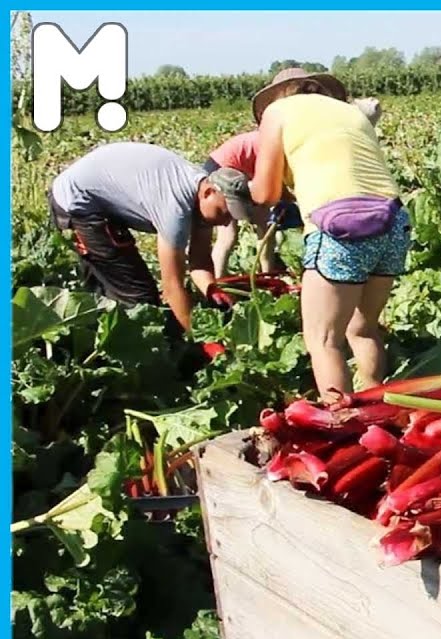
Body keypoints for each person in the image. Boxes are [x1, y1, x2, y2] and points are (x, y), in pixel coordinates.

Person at [248, 68, 409, 403]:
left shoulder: (277, 113)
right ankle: (378, 405)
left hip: (341, 228)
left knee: (323, 339)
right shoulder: (348, 112)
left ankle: (343, 423)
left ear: (280, 94)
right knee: (362, 328)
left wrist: (246, 188)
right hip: (392, 221)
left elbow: (265, 194)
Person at [48, 141, 254, 335]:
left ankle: (94, 336)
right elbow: (172, 286)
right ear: (208, 192)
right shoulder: (176, 208)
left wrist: (211, 289)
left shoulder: (203, 196)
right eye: (224, 212)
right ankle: (136, 356)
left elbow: (199, 260)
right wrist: (201, 339)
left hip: (97, 199)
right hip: (77, 202)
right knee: (140, 300)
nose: (226, 221)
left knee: (111, 286)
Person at [204, 96, 385, 277]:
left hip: (240, 172)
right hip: (224, 173)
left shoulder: (290, 136)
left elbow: (277, 180)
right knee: (230, 232)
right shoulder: (282, 139)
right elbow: (270, 183)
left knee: (262, 224)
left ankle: (264, 273)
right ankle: (221, 280)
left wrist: (291, 201)